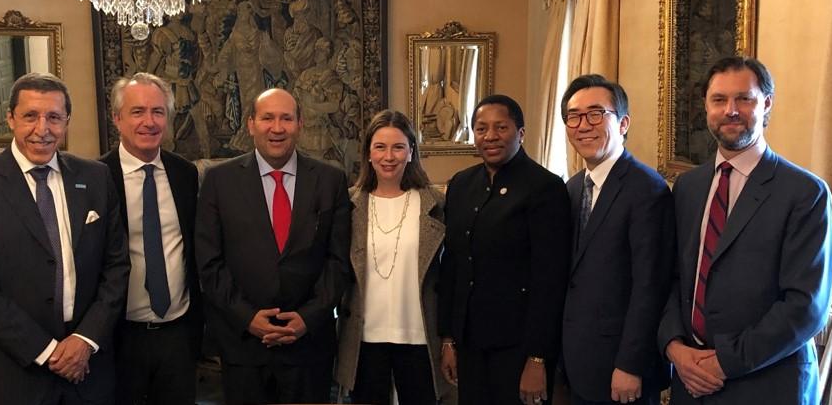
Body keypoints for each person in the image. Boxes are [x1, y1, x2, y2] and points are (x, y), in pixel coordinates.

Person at [658, 57, 832, 404]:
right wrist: (675, 347)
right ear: (706, 106)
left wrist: (724, 362)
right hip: (690, 380)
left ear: (766, 104)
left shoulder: (805, 193)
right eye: (719, 100)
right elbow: (672, 279)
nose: (731, 111)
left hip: (768, 382)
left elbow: (806, 306)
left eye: (744, 99)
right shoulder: (688, 187)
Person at [0, 72, 129, 405]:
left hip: (87, 372)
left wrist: (85, 340)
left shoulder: (96, 177)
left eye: (54, 117)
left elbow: (116, 268)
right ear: (10, 118)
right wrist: (49, 352)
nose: (42, 129)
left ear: (67, 121)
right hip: (6, 373)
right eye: (30, 116)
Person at [195, 88, 352, 404]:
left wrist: (307, 318)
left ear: (300, 124)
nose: (277, 128)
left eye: (286, 118)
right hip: (243, 346)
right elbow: (209, 262)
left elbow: (338, 261)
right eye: (267, 118)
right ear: (251, 124)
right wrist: (247, 317)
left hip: (308, 346)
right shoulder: (218, 180)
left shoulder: (330, 180)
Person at [439, 94, 571, 405]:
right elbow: (453, 267)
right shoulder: (460, 184)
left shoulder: (545, 187)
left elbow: (550, 280)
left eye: (501, 127)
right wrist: (448, 337)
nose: (491, 136)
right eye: (481, 129)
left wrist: (537, 359)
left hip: (519, 346)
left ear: (520, 133)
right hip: (470, 342)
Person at [560, 75, 674, 405]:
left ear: (623, 123)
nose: (583, 125)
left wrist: (630, 364)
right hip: (580, 360)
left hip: (622, 368)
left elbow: (650, 286)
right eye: (574, 116)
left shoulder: (647, 189)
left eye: (596, 114)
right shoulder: (574, 186)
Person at [100, 73, 202, 405]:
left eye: (158, 112)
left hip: (178, 334)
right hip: (119, 335)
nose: (149, 122)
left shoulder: (185, 174)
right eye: (138, 111)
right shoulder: (95, 178)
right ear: (117, 118)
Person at [336, 110, 448, 405]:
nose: (389, 156)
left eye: (398, 147)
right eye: (380, 147)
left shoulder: (435, 204)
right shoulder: (347, 205)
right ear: (368, 154)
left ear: (411, 152)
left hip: (420, 336)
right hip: (364, 339)